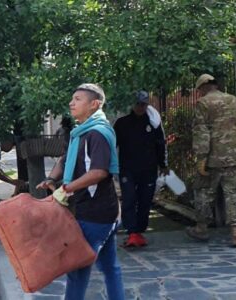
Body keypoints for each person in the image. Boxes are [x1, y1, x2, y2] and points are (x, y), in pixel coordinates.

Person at [37, 83, 124, 300]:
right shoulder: (80, 133)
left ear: (94, 104)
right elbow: (64, 160)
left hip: (96, 212)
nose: (71, 103)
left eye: (77, 99)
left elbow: (98, 172)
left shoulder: (98, 133)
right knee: (110, 268)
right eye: (72, 98)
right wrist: (51, 178)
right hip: (100, 211)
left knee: (77, 270)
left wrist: (67, 188)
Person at [186, 74, 236, 247]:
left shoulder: (203, 103)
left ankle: (201, 227)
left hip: (214, 157)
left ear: (202, 88)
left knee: (205, 192)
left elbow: (201, 131)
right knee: (234, 193)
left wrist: (201, 158)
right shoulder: (234, 100)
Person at [114, 91, 167, 248]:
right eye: (138, 104)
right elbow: (112, 146)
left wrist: (163, 165)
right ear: (133, 105)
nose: (140, 107)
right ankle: (131, 232)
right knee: (129, 198)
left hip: (149, 169)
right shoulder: (122, 123)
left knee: (145, 200)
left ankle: (139, 231)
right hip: (127, 169)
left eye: (143, 104)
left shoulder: (154, 123)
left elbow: (160, 145)